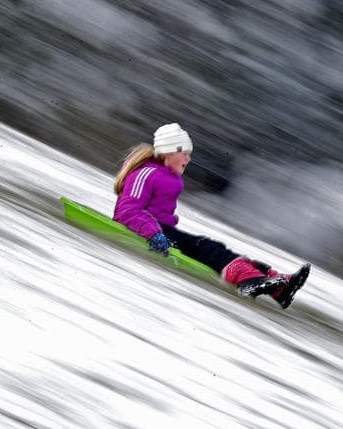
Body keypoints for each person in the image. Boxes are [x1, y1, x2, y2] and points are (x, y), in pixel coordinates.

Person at [112, 122, 309, 309]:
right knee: (206, 247)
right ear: (169, 151)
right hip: (143, 230)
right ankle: (248, 281)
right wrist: (154, 234)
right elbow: (127, 211)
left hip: (160, 232)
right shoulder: (145, 173)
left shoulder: (166, 176)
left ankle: (279, 286)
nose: (188, 159)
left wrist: (158, 233)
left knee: (214, 248)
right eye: (185, 153)